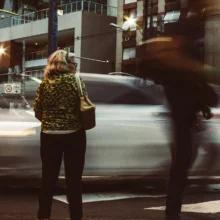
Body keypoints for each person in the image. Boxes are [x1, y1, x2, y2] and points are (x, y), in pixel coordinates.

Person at [34, 49, 88, 220]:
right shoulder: (76, 81)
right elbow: (84, 108)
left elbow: (37, 112)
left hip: (49, 136)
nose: (75, 66)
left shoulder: (44, 84)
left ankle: (43, 216)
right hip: (74, 136)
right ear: (67, 64)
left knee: (48, 179)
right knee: (74, 180)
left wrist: (52, 121)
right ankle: (76, 217)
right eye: (74, 63)